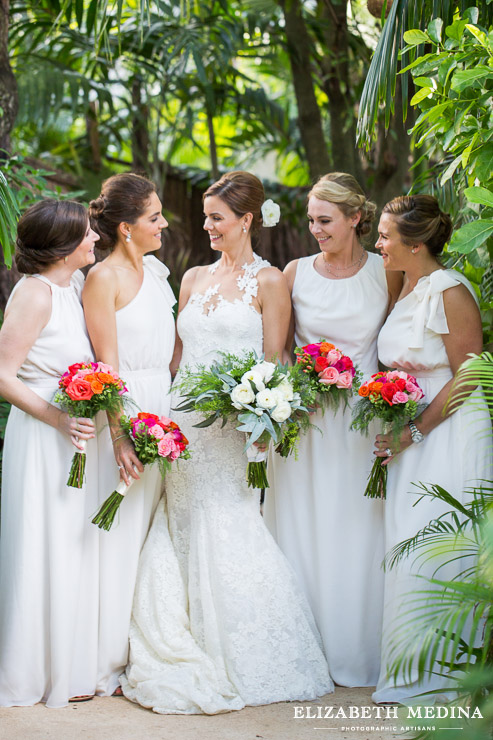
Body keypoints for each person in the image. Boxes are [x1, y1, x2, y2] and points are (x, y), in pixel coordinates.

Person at [120, 170, 333, 714]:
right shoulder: (190, 279)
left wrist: (264, 416)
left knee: (229, 520)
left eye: (217, 217)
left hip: (233, 431)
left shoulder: (269, 284)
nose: (207, 225)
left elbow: (276, 360)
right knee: (181, 519)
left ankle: (243, 648)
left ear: (246, 220)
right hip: (183, 426)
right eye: (207, 216)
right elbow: (175, 359)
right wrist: (156, 420)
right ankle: (183, 630)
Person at [264, 172, 402, 687]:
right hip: (307, 424)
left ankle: (359, 650)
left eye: (325, 220)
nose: (315, 229)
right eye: (311, 221)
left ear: (356, 219)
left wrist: (393, 404)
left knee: (358, 533)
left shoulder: (385, 274)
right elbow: (278, 349)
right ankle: (305, 653)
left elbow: (396, 344)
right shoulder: (295, 272)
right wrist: (284, 400)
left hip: (364, 424)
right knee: (302, 529)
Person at [371, 194, 492, 704]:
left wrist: (413, 430)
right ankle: (411, 666)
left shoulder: (449, 290)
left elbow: (470, 372)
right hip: (412, 432)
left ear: (416, 245)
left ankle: (447, 678)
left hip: (448, 434)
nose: (377, 243)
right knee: (408, 542)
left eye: (384, 236)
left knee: (438, 543)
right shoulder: (405, 283)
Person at [0, 200, 100, 707]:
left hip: (73, 438)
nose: (95, 239)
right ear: (63, 246)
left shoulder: (74, 287)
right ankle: (31, 671)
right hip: (42, 438)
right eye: (87, 233)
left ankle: (69, 662)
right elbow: (2, 374)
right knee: (42, 545)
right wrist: (58, 419)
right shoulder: (35, 295)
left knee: (69, 547)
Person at [83, 173, 176, 697]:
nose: (163, 223)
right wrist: (121, 437)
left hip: (165, 406)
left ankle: (144, 641)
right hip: (129, 409)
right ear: (125, 228)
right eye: (154, 217)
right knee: (121, 532)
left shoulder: (158, 270)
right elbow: (108, 366)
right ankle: (108, 652)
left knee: (153, 535)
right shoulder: (105, 280)